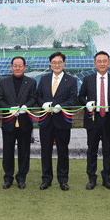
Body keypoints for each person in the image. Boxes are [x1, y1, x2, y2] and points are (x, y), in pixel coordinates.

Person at [78, 51, 110, 190]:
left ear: (109, 63)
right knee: (91, 150)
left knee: (108, 150)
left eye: (105, 61)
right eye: (99, 61)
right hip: (93, 119)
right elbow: (81, 96)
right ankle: (92, 178)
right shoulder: (88, 79)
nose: (102, 63)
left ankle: (106, 178)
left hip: (109, 119)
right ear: (94, 63)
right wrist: (86, 103)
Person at [36, 51, 78, 191]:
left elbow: (73, 99)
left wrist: (62, 106)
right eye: (54, 62)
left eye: (60, 62)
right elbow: (38, 96)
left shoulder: (71, 80)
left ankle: (63, 179)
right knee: (45, 151)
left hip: (63, 121)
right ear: (50, 64)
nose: (57, 65)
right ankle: (46, 179)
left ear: (64, 64)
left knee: (62, 151)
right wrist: (43, 104)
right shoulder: (44, 79)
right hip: (46, 121)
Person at [0, 57, 37, 189]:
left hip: (25, 122)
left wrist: (26, 107)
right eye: (15, 65)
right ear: (11, 67)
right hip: (8, 121)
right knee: (8, 151)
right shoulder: (3, 82)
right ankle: (8, 178)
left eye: (20, 66)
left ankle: (21, 178)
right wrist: (9, 108)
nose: (17, 68)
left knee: (24, 151)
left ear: (25, 67)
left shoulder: (31, 82)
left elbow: (33, 98)